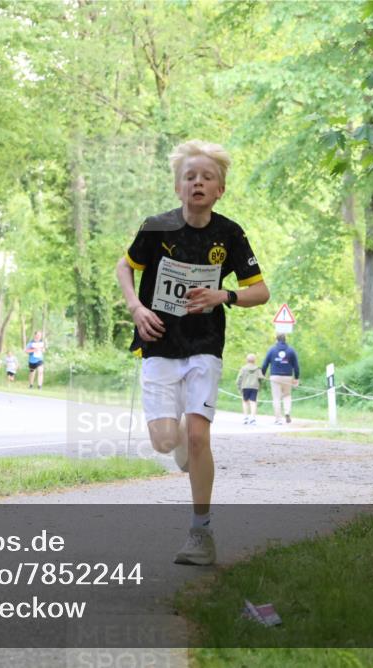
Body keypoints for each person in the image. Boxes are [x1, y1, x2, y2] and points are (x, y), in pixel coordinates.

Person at [116, 139, 269, 566]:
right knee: (167, 442)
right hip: (159, 343)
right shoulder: (156, 228)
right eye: (189, 177)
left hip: (204, 345)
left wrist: (224, 295)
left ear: (220, 189)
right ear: (178, 187)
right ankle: (183, 441)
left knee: (200, 437)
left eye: (207, 177)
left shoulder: (229, 233)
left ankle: (200, 533)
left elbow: (261, 291)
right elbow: (124, 266)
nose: (197, 182)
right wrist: (136, 308)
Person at [261, 334, 300, 425]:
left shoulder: (272, 350)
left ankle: (278, 419)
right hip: (287, 376)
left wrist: (262, 374)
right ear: (285, 339)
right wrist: (296, 378)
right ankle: (287, 412)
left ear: (276, 340)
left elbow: (265, 364)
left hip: (275, 377)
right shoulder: (291, 350)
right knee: (287, 395)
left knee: (276, 398)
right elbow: (296, 366)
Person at [236, 353, 262, 425]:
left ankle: (246, 418)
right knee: (253, 402)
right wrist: (260, 386)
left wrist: (239, 387)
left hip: (245, 387)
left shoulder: (243, 368)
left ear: (246, 360)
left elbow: (238, 379)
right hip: (254, 387)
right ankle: (253, 418)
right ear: (255, 361)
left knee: (245, 402)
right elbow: (261, 378)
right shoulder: (257, 369)